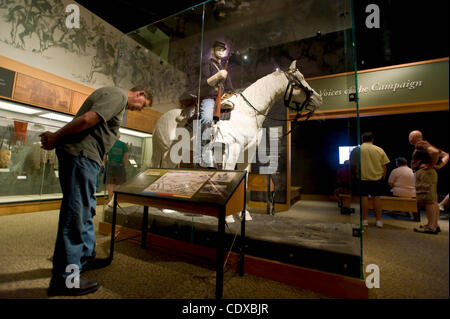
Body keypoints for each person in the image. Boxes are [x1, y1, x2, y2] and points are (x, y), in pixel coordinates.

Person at [40, 85, 152, 296]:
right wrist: (56, 136)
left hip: (87, 159)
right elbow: (87, 120)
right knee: (76, 216)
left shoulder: (113, 96)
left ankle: (84, 259)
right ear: (140, 94)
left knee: (86, 209)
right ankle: (66, 280)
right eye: (142, 106)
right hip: (82, 156)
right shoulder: (118, 96)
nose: (139, 110)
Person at [198, 40, 233, 167]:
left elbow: (230, 87)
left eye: (223, 49)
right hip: (209, 97)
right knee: (207, 120)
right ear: (213, 49)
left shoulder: (224, 69)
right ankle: (203, 156)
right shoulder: (207, 64)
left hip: (222, 99)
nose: (221, 51)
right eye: (218, 48)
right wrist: (217, 76)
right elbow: (203, 83)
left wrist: (232, 94)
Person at [409, 130, 449, 234]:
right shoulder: (426, 144)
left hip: (426, 174)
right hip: (430, 174)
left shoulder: (420, 144)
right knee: (432, 200)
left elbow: (434, 152)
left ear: (413, 138)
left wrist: (431, 165)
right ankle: (434, 224)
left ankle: (431, 227)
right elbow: (446, 155)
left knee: (429, 201)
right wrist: (439, 166)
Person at [350, 132, 390, 227]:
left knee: (363, 198)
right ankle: (379, 221)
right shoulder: (379, 149)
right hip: (377, 178)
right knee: (377, 198)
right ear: (372, 139)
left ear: (362, 139)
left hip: (362, 178)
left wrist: (354, 176)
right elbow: (384, 166)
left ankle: (364, 220)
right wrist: (382, 178)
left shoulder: (356, 150)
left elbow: (353, 166)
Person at [105, 134, 129, 207]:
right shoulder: (123, 145)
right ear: (119, 137)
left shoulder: (109, 143)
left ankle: (110, 200)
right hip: (119, 166)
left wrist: (106, 164)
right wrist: (124, 166)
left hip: (110, 165)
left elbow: (105, 156)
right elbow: (126, 157)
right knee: (119, 183)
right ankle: (113, 201)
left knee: (110, 183)